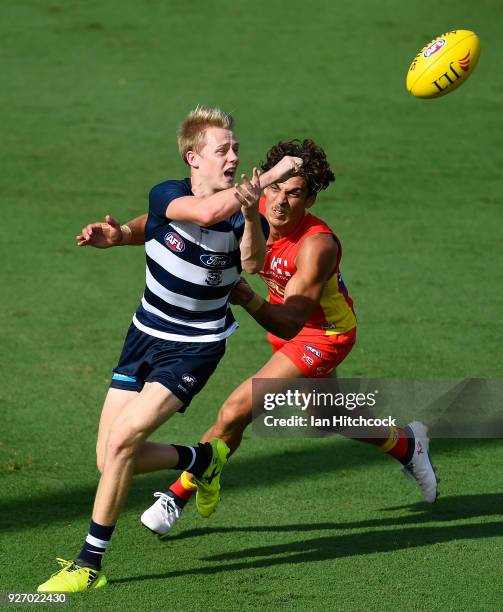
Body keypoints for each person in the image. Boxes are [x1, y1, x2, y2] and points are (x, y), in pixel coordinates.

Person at [75, 139, 438, 540]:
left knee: (235, 409)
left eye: (295, 193)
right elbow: (176, 219)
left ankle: (178, 492)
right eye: (276, 189)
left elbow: (290, 324)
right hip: (283, 321)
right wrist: (124, 233)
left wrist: (246, 297)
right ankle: (407, 445)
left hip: (320, 333)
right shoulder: (256, 208)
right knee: (325, 415)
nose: (280, 202)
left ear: (312, 199)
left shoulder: (317, 246)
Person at [37, 107, 303, 593]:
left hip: (193, 348)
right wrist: (119, 235)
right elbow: (180, 218)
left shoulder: (241, 213)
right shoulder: (169, 193)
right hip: (143, 336)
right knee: (108, 460)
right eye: (222, 149)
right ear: (193, 157)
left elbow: (250, 260)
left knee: (122, 444)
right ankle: (201, 460)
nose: (233, 156)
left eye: (235, 149)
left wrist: (249, 208)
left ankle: (88, 564)